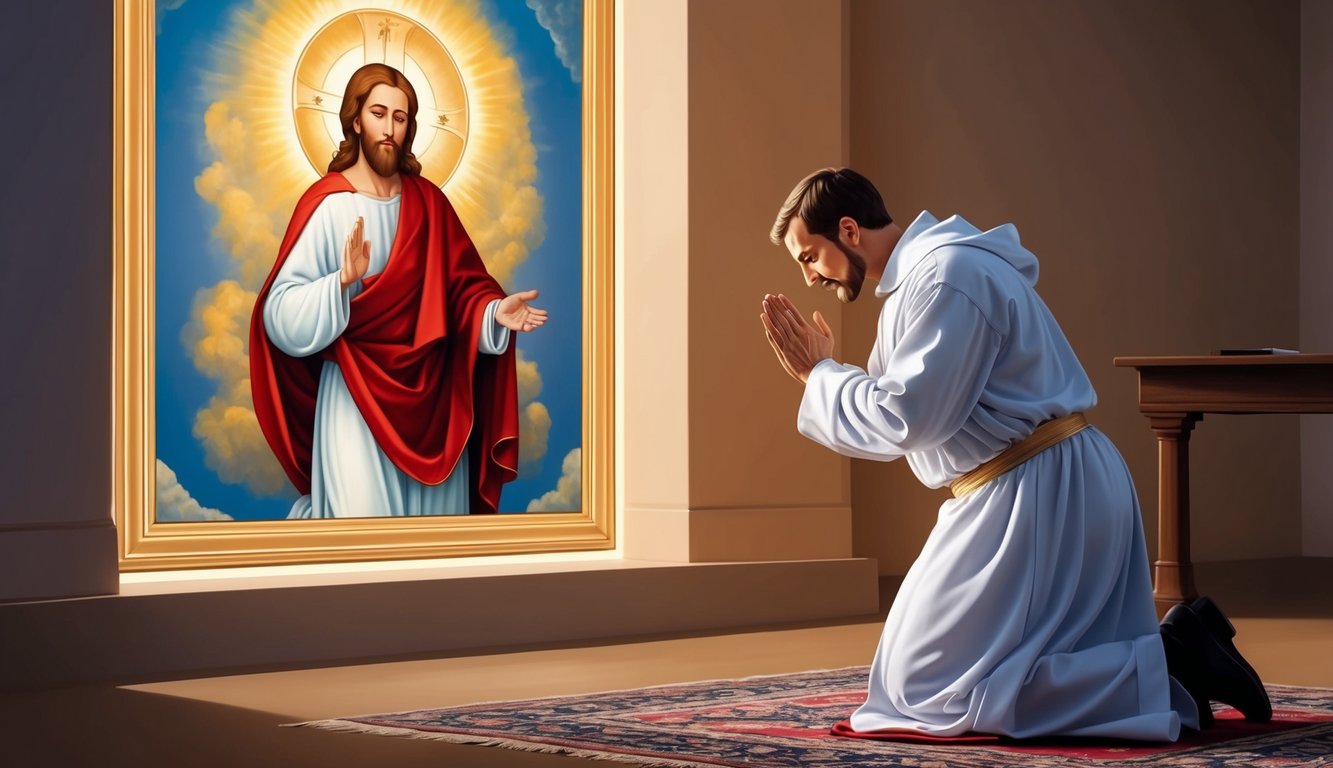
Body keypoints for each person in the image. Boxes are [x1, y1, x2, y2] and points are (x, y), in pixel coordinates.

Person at [760, 167, 1269, 741]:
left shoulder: (948, 275)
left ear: (848, 230)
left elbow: (906, 419)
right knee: (921, 681)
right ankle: (1176, 656)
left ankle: (1171, 660)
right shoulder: (926, 278)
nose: (809, 278)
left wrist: (820, 374)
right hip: (1020, 484)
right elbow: (899, 410)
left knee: (926, 687)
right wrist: (827, 375)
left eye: (809, 257)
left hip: (1037, 488)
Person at [249, 63, 547, 519]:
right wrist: (340, 284)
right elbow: (279, 315)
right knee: (358, 549)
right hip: (356, 406)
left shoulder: (430, 204)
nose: (389, 128)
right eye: (379, 113)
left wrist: (492, 314)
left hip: (435, 405)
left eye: (400, 118)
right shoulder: (329, 207)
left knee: (436, 558)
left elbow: (462, 293)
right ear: (356, 119)